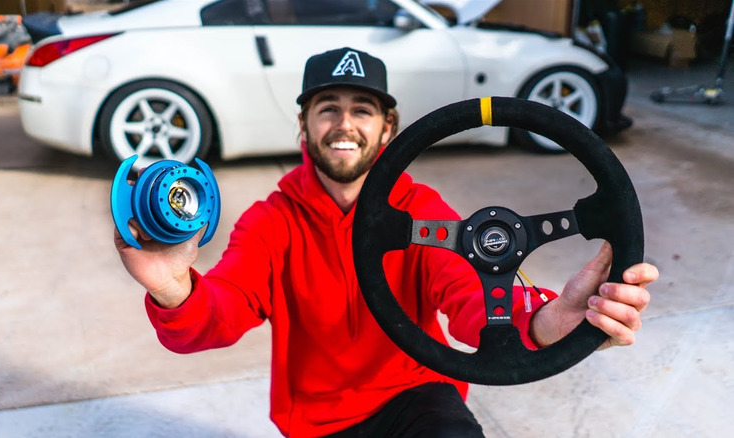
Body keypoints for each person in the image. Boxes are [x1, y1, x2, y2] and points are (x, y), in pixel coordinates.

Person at [115, 47, 657, 438]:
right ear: (302, 125)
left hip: (419, 400)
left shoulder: (421, 210)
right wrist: (174, 288)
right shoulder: (270, 222)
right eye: (327, 106)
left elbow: (470, 296)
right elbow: (220, 313)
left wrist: (547, 320)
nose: (343, 123)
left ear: (388, 127)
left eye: (362, 109)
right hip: (317, 424)